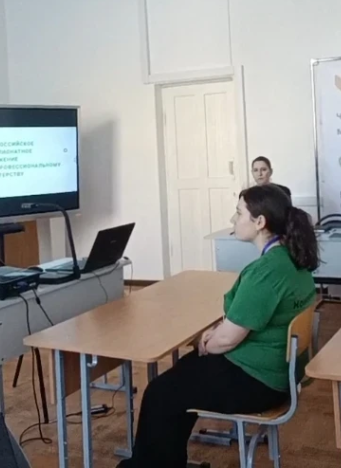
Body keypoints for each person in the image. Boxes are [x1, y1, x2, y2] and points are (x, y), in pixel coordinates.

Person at [118, 185, 318, 468]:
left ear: (260, 222)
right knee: (179, 380)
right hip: (277, 373)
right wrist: (218, 334)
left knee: (160, 394)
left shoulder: (266, 271)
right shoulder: (291, 258)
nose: (232, 219)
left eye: (239, 213)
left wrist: (206, 342)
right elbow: (244, 322)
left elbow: (227, 340)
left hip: (258, 381)